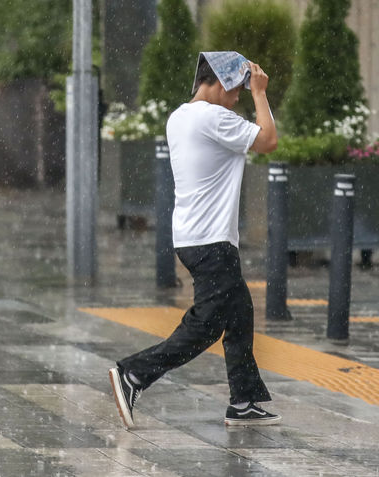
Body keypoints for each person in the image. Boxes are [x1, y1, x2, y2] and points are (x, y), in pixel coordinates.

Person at [109, 52, 279, 428]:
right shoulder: (212, 117)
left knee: (239, 313)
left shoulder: (180, 116)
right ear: (220, 84)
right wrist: (261, 95)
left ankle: (245, 400)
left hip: (193, 236)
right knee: (205, 325)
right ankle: (134, 374)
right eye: (238, 91)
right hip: (211, 240)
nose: (239, 99)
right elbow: (268, 141)